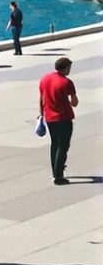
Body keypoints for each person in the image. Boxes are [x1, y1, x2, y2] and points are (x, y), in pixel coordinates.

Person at [39, 57, 78, 185]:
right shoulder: (66, 82)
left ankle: (54, 170)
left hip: (49, 117)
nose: (69, 70)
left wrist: (41, 114)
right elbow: (74, 103)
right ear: (65, 68)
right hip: (63, 118)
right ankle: (59, 176)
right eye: (69, 68)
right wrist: (73, 99)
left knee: (54, 143)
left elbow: (41, 98)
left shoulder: (45, 79)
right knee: (63, 145)